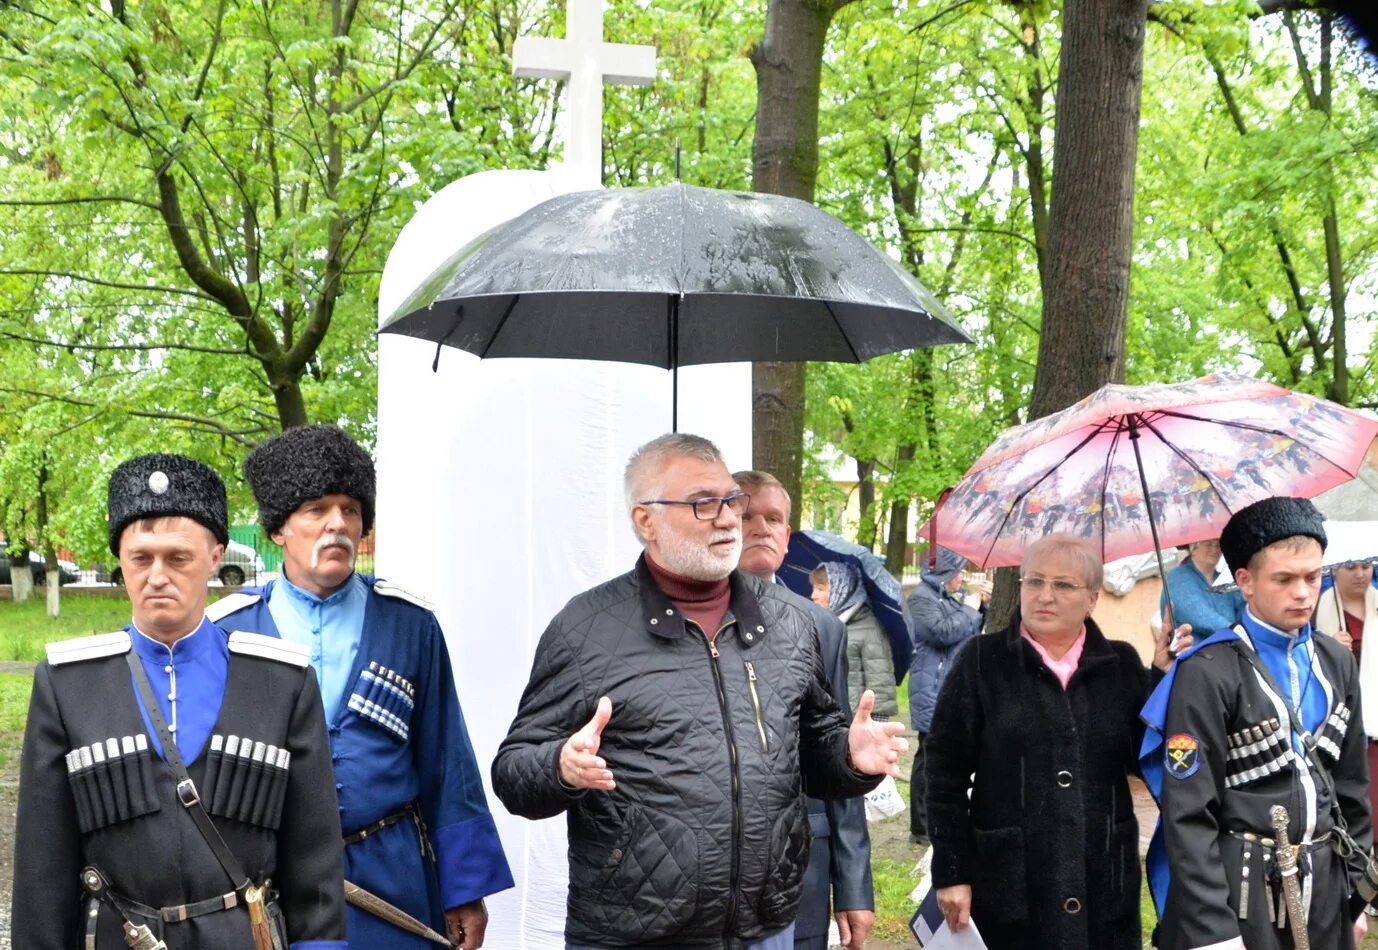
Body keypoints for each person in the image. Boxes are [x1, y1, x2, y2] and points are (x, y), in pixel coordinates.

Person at [491, 433, 907, 950]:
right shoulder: (584, 630)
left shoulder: (793, 622)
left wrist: (849, 756)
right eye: (702, 504)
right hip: (635, 932)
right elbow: (513, 772)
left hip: (766, 928)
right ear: (646, 521)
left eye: (731, 500)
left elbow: (814, 754)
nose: (729, 518)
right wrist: (560, 766)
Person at [11, 453, 346, 949]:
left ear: (215, 558)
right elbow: (43, 865)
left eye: (178, 557)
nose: (158, 575)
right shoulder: (69, 684)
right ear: (120, 560)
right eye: (141, 558)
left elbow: (314, 858)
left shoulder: (281, 681)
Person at [208, 425, 513, 950]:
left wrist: (465, 889)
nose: (338, 525)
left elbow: (447, 762)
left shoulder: (410, 624)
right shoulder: (226, 632)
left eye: (350, 509)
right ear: (279, 529)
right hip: (271, 883)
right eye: (317, 510)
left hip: (392, 878)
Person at [925, 533, 1184, 949]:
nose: (1045, 595)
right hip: (1010, 883)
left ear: (1093, 598)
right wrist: (952, 870)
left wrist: (1160, 677)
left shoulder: (1120, 665)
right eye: (1034, 581)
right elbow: (942, 775)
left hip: (1104, 884)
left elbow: (1144, 759)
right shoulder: (980, 661)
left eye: (1063, 585)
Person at [1147, 497, 1372, 949]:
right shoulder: (1206, 671)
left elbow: (1351, 786)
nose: (1304, 593)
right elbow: (1188, 814)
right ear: (1245, 582)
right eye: (1284, 579)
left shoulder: (1336, 662)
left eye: (1313, 576)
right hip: (1239, 889)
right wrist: (1215, 931)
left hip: (1326, 886)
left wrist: (1356, 893)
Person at [733, 469, 874, 950]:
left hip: (804, 864)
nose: (761, 527)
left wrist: (854, 886)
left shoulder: (821, 627)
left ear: (787, 535)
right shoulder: (685, 618)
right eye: (747, 514)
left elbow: (837, 750)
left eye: (774, 518)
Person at [905, 545, 987, 847]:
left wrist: (983, 608)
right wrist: (970, 607)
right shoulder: (921, 600)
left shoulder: (945, 598)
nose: (962, 576)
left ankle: (934, 822)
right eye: (958, 570)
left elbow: (968, 632)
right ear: (943, 572)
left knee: (941, 757)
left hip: (946, 689)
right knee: (927, 757)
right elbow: (943, 632)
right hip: (931, 689)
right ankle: (921, 828)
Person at [1316, 559, 1378, 846]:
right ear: (1335, 570)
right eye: (1351, 567)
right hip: (1348, 721)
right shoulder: (1318, 610)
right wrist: (1330, 647)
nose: (1360, 574)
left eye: (1366, 566)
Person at [809, 562, 899, 721]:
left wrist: (874, 723)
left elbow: (880, 684)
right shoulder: (823, 625)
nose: (813, 595)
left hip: (855, 722)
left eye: (820, 589)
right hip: (826, 720)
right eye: (814, 588)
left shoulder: (869, 628)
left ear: (840, 591)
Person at [1160, 537, 1245, 636]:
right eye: (1208, 544)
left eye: (1218, 545)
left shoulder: (1226, 581)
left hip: (1234, 648)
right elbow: (1201, 617)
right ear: (1193, 546)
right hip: (1194, 649)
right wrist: (1240, 634)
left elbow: (1244, 613)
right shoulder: (1177, 577)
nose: (1214, 549)